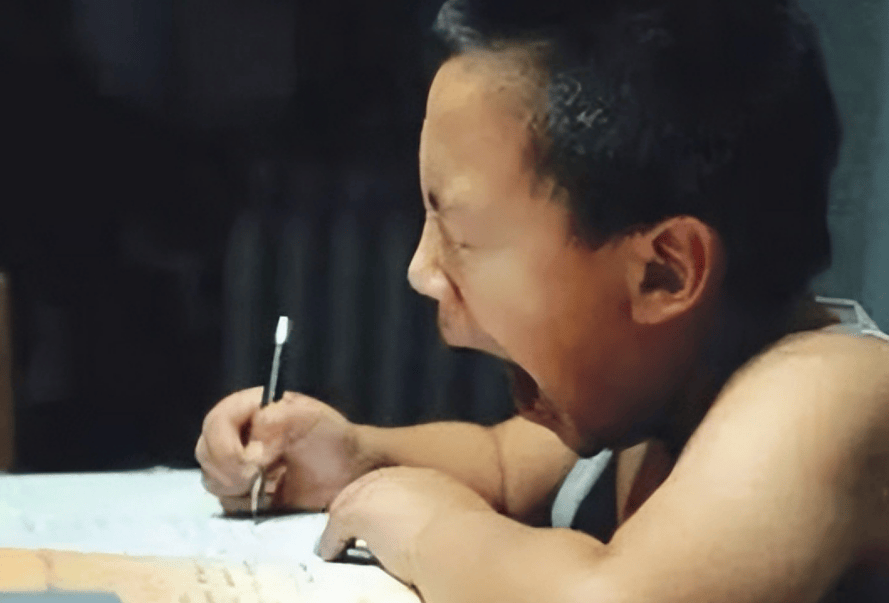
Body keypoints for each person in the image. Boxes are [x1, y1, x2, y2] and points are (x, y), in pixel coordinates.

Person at [196, 0, 889, 601]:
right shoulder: (650, 388)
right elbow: (501, 466)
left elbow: (611, 597)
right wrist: (351, 455)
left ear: (662, 273)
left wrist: (432, 528)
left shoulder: (830, 396)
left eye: (461, 235)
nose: (421, 272)